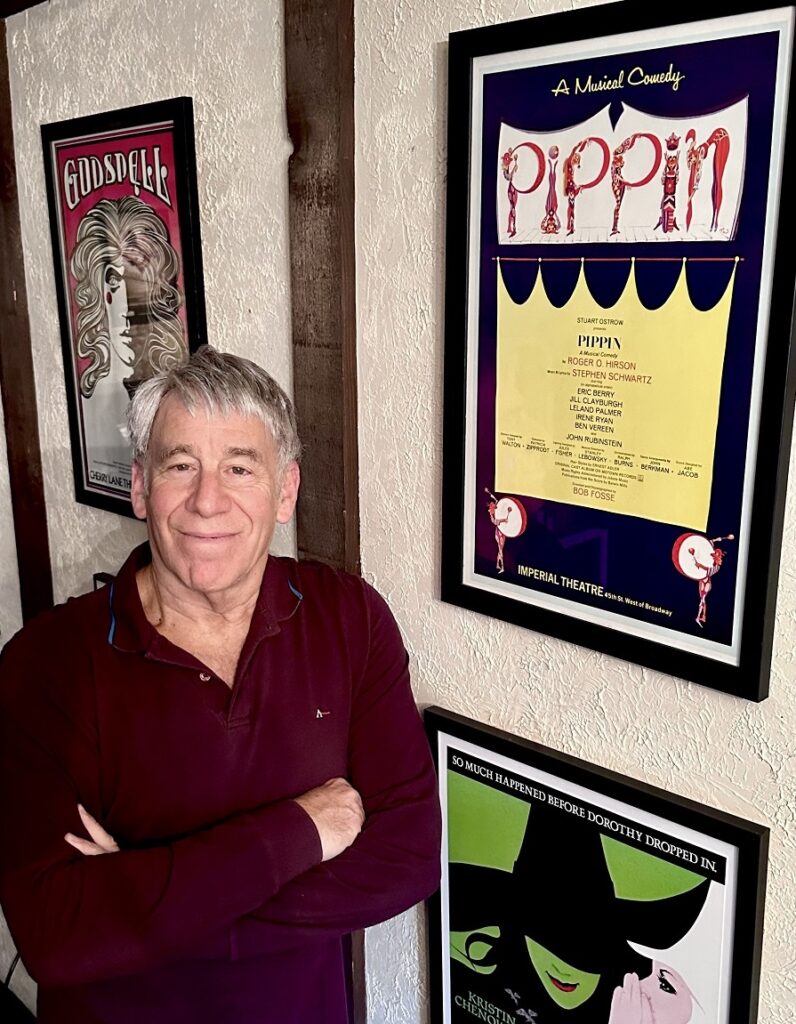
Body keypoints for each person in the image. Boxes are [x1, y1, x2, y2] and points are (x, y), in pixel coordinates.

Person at [0, 347, 441, 1024]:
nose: (208, 500)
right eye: (181, 466)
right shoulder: (47, 662)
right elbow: (55, 935)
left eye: (240, 467)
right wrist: (299, 832)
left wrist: (148, 897)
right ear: (141, 487)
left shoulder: (349, 619)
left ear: (285, 491)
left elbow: (408, 859)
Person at [71, 195, 186, 477]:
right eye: (112, 281)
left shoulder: (176, 406)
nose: (125, 306)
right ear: (98, 295)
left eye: (135, 280)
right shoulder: (89, 412)